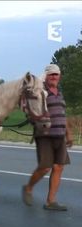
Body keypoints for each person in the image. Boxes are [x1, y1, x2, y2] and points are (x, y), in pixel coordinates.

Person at [22, 64, 73, 211]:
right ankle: (28, 188)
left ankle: (51, 201)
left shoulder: (60, 93)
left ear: (59, 76)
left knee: (59, 167)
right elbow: (30, 109)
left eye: (56, 74)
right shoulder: (41, 91)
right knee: (45, 167)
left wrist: (68, 134)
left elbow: (63, 114)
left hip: (60, 136)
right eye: (51, 74)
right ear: (46, 76)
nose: (54, 77)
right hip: (45, 135)